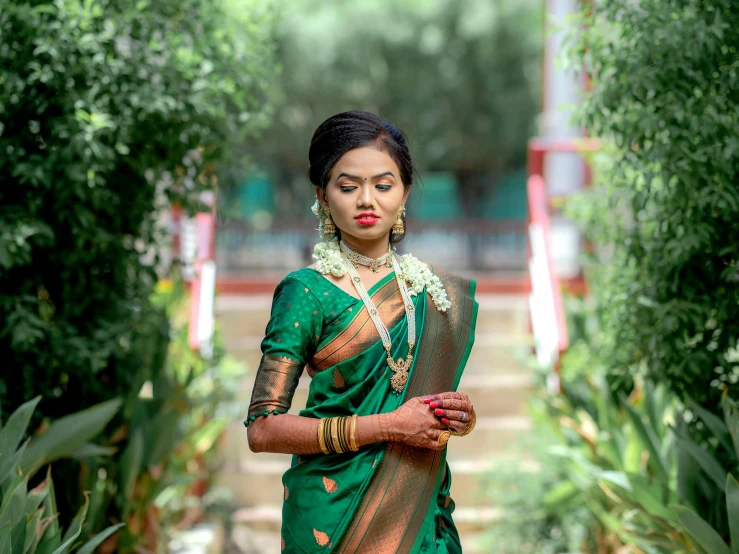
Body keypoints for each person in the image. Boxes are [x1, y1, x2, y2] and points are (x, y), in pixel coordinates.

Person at [244, 110, 479, 553]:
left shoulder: (433, 292)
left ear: (404, 192)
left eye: (383, 185)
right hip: (333, 519)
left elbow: (420, 406)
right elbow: (262, 430)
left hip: (416, 511)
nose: (367, 200)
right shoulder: (307, 292)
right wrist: (389, 425)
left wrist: (457, 416)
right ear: (323, 195)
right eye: (348, 186)